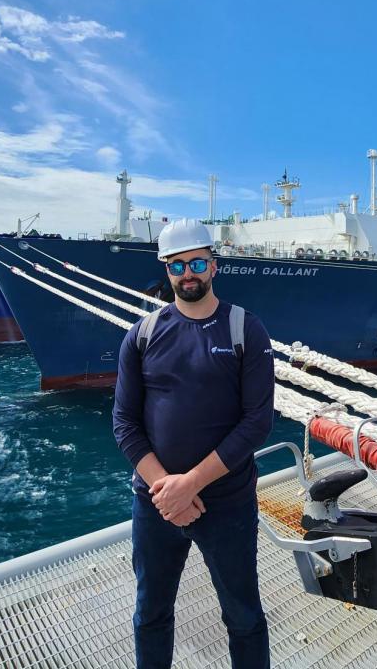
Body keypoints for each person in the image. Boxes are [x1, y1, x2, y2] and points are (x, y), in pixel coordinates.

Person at [113, 218, 275, 669]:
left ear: (214, 266)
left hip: (226, 503)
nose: (188, 274)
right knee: (150, 612)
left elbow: (257, 422)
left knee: (243, 616)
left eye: (197, 263)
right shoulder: (142, 335)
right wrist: (168, 488)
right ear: (167, 271)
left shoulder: (246, 330)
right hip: (156, 503)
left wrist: (192, 485)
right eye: (177, 265)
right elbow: (124, 422)